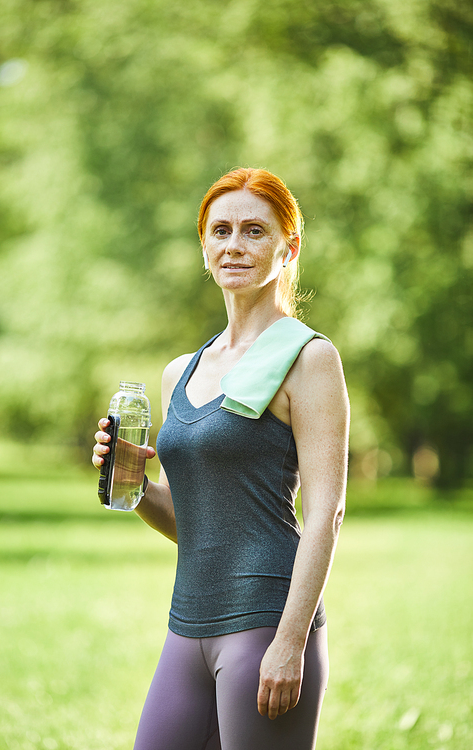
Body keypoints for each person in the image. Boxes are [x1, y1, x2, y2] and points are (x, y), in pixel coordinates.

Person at [92, 167, 349, 750]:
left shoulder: (308, 358)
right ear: (204, 245)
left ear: (290, 247)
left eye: (255, 231)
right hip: (187, 624)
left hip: (266, 622)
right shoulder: (180, 371)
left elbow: (326, 514)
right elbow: (195, 525)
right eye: (221, 230)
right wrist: (130, 481)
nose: (235, 245)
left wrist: (291, 641)